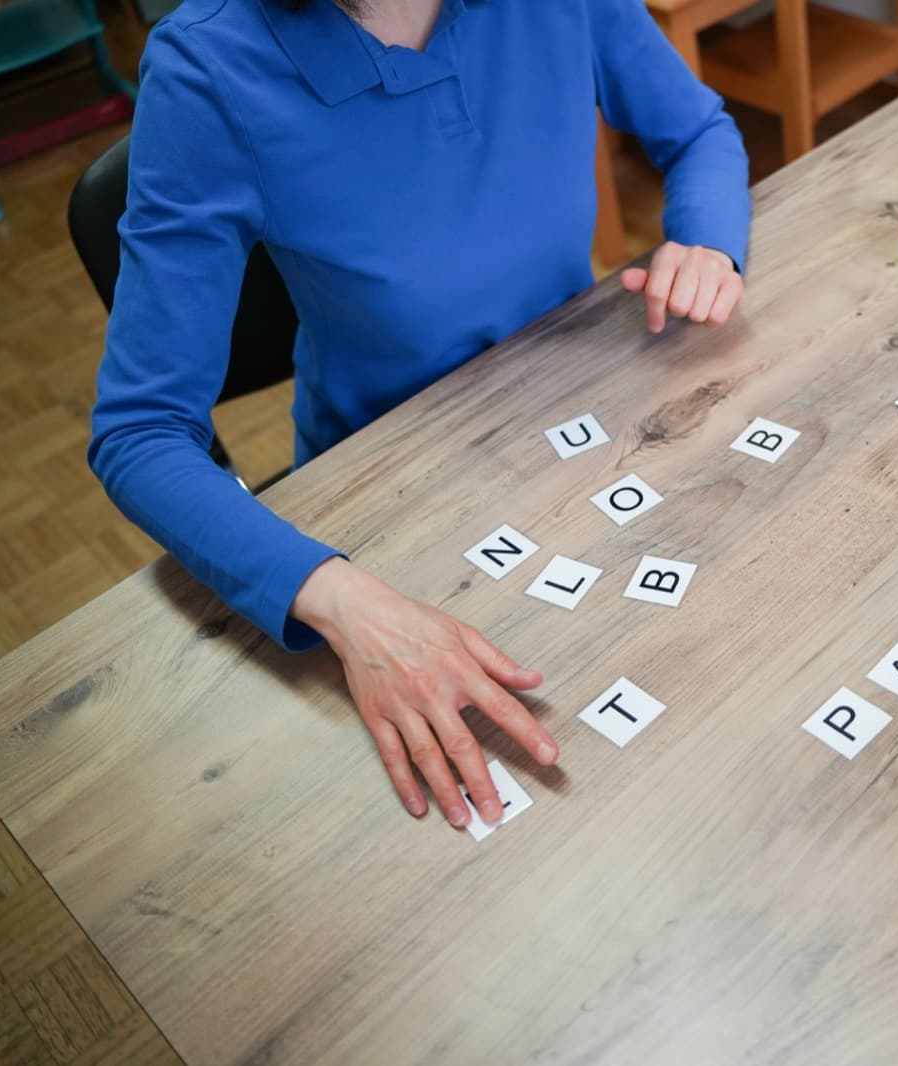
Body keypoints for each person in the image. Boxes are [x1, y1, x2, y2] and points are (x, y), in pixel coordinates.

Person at [89, 0, 751, 832]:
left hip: (588, 420)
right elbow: (139, 433)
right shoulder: (210, 66)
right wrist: (341, 600)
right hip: (389, 510)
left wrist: (708, 239)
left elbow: (698, 135)